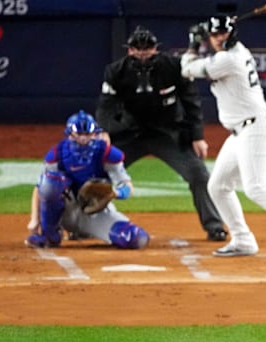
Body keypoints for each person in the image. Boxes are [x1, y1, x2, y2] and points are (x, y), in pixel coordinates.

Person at [179, 15, 266, 262]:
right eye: (215, 34)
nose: (220, 38)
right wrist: (204, 42)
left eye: (223, 33)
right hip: (240, 133)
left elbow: (187, 69)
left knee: (256, 187)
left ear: (232, 33)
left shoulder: (229, 59)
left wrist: (192, 45)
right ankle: (243, 239)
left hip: (256, 130)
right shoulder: (232, 52)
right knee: (218, 186)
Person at [95, 26, 227, 241]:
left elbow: (191, 102)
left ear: (155, 49)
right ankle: (81, 225)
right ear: (129, 50)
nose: (142, 53)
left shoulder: (174, 67)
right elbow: (106, 105)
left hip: (167, 134)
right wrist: (103, 130)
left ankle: (214, 226)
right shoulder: (116, 71)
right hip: (130, 133)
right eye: (137, 49)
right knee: (95, 174)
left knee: (199, 174)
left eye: (147, 48)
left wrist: (198, 136)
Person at [25, 110, 149, 249]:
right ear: (70, 135)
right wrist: (34, 220)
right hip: (66, 211)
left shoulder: (107, 154)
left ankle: (84, 231)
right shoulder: (56, 155)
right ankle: (49, 235)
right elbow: (41, 188)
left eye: (87, 134)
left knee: (135, 238)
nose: (83, 139)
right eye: (79, 134)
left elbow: (127, 186)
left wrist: (115, 193)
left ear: (95, 134)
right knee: (52, 182)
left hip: (95, 212)